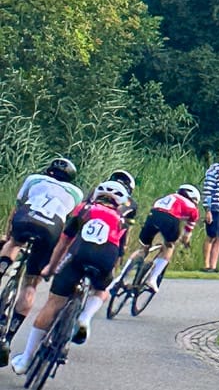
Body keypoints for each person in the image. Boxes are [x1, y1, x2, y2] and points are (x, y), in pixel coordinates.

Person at [9, 181, 130, 374]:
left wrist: (51, 267)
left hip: (78, 255)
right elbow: (119, 254)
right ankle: (85, 319)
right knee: (101, 290)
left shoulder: (84, 208)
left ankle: (25, 359)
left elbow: (64, 241)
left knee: (54, 302)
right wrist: (106, 277)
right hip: (105, 258)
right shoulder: (122, 219)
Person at [0, 158, 85, 348]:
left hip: (27, 216)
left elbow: (17, 209)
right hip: (51, 228)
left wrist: (9, 236)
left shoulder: (34, 179)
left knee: (14, 242)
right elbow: (70, 227)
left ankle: (3, 264)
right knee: (30, 286)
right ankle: (8, 337)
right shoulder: (77, 193)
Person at [131, 185, 200, 291]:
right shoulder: (193, 208)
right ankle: (152, 279)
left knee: (144, 247)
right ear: (194, 199)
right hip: (170, 219)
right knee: (169, 246)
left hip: (153, 214)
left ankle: (122, 275)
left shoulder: (168, 197)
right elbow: (187, 232)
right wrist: (185, 241)